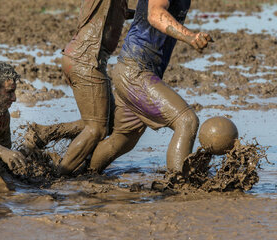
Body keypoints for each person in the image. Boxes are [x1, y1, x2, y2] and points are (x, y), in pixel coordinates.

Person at [88, 0, 213, 173]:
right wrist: (190, 37)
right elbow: (155, 14)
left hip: (137, 73)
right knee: (186, 121)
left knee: (124, 139)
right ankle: (180, 188)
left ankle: (86, 173)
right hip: (135, 72)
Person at [50, 0, 134, 175]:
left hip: (80, 57)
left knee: (109, 122)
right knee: (97, 129)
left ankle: (43, 134)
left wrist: (143, 15)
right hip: (87, 60)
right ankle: (58, 176)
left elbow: (116, 15)